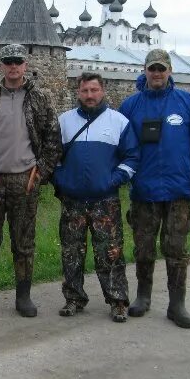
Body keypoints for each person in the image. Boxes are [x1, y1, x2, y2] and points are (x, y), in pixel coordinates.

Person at [0, 44, 62, 317]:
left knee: (23, 241)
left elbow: (53, 140)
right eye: (8, 61)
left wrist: (40, 173)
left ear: (25, 65)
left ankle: (23, 296)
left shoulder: (41, 99)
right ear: (1, 65)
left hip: (24, 180)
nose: (13, 66)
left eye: (17, 61)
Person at [119, 49, 190, 328]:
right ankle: (143, 296)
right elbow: (121, 145)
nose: (157, 73)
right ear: (145, 71)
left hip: (179, 190)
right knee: (144, 248)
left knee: (176, 248)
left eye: (162, 68)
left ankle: (177, 304)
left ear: (170, 70)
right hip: (144, 191)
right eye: (152, 69)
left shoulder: (186, 102)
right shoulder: (131, 106)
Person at [52, 72, 139, 322]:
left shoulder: (119, 122)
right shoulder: (64, 121)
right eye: (85, 91)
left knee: (110, 252)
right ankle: (73, 298)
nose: (89, 96)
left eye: (94, 90)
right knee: (71, 252)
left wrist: (113, 180)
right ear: (78, 93)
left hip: (105, 201)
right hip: (73, 201)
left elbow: (132, 157)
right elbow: (53, 156)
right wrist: (61, 180)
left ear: (103, 91)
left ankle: (117, 301)